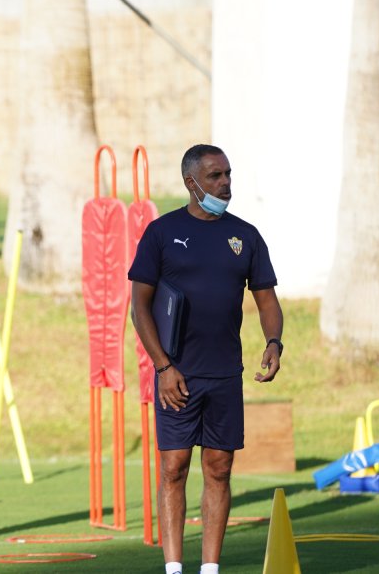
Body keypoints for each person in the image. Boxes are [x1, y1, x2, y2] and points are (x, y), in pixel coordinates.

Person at [128, 145, 284, 574]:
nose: (225, 183)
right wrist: (163, 367)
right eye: (215, 176)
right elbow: (139, 307)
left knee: (219, 468)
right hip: (176, 375)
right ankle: (174, 568)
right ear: (191, 182)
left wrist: (274, 342)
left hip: (225, 375)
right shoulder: (161, 233)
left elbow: (267, 299)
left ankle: (210, 568)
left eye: (228, 174)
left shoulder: (246, 236)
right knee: (174, 468)